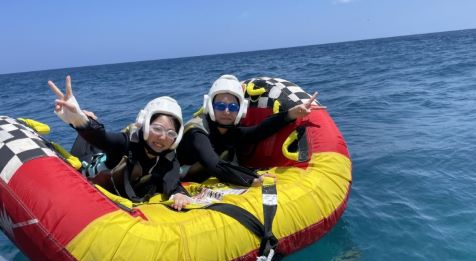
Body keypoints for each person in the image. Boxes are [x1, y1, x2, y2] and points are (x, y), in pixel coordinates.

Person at [48, 75, 191, 210]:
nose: (163, 137)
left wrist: (179, 194)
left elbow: (172, 182)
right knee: (92, 138)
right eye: (157, 129)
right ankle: (88, 118)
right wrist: (78, 119)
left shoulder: (169, 157)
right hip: (89, 164)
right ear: (144, 124)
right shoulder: (125, 144)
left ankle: (90, 120)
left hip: (109, 167)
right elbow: (102, 139)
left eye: (171, 133)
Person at [176, 74, 317, 188]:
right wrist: (252, 179)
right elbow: (213, 164)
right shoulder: (197, 132)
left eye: (232, 107)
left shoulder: (228, 131)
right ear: (210, 106)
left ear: (241, 110)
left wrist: (290, 114)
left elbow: (256, 132)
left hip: (207, 176)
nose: (226, 111)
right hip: (180, 180)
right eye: (220, 106)